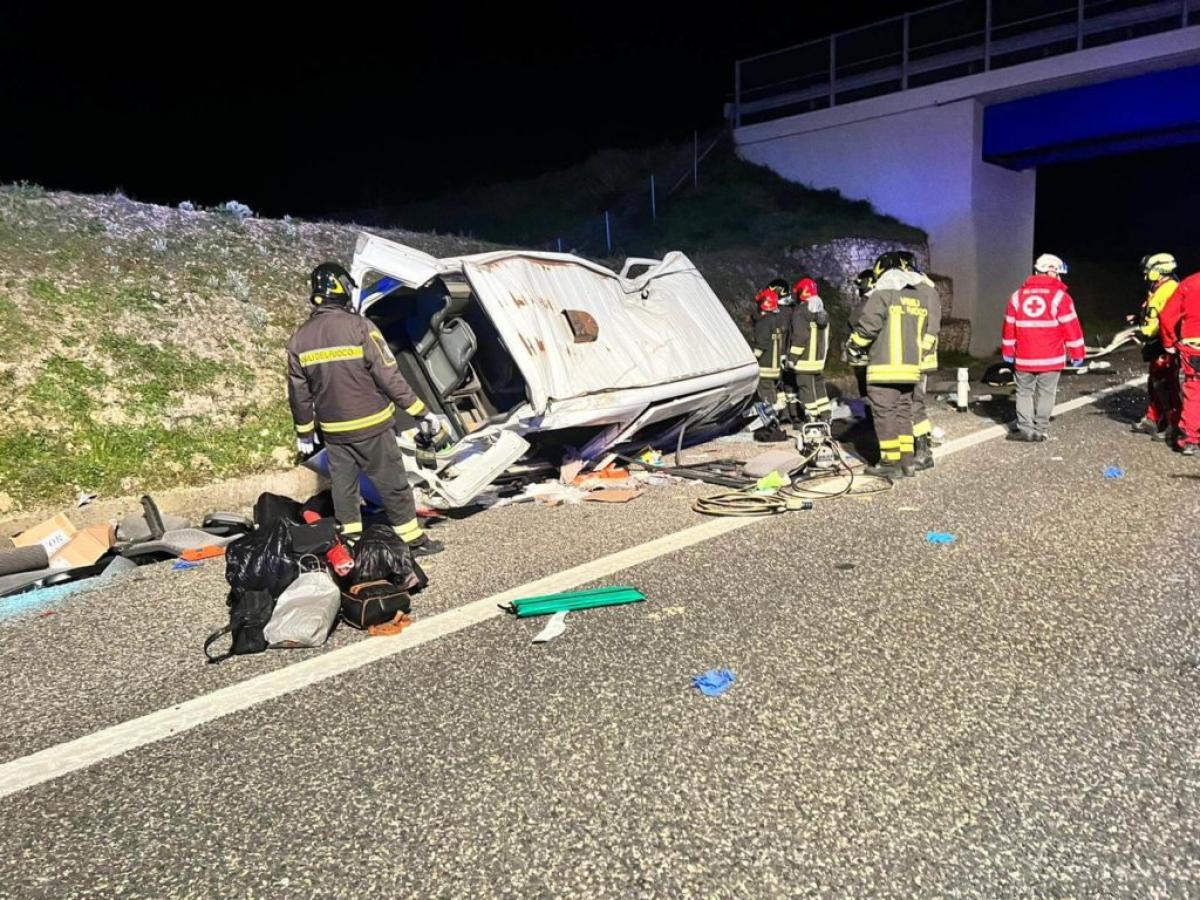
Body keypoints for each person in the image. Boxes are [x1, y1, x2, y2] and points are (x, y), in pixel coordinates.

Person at [287, 262, 449, 557]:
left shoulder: (300, 339)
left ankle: (351, 541)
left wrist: (304, 432)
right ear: (342, 290)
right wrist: (420, 412)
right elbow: (389, 376)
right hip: (372, 425)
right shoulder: (360, 328)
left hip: (334, 433)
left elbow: (299, 392)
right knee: (393, 484)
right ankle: (411, 540)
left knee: (345, 489)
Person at [846, 252, 938, 477]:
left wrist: (853, 346)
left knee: (884, 413)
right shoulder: (916, 298)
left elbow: (868, 327)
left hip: (884, 368)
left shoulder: (881, 295)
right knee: (903, 413)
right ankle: (907, 462)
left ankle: (889, 462)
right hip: (910, 369)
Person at [1000, 253, 1085, 442]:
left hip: (1024, 357)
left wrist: (1007, 351)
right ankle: (1041, 429)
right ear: (1051, 272)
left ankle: (1025, 429)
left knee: (1024, 392)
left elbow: (1009, 327)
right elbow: (1071, 327)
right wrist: (1077, 353)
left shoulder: (1017, 296)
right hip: (1051, 358)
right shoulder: (1060, 297)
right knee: (1046, 393)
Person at [1129, 253, 1180, 441]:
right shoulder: (1159, 288)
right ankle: (1153, 418)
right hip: (1156, 340)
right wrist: (1138, 318)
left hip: (1164, 342)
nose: (1145, 275)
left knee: (1165, 384)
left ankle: (1171, 424)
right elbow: (1153, 312)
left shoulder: (1169, 289)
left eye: (1148, 271)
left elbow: (1167, 319)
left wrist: (1157, 337)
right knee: (1155, 381)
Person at [1157, 270, 1200, 455]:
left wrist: (1169, 342)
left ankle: (1190, 439)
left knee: (1195, 389)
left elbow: (1167, 315)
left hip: (1194, 345)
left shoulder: (1190, 283)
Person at [786, 277, 831, 423]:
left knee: (806, 391)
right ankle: (826, 416)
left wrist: (792, 358)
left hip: (803, 362)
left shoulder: (800, 312)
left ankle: (811, 419)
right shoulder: (822, 312)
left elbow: (800, 336)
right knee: (819, 390)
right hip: (818, 362)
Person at [767, 278, 800, 423]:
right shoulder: (792, 309)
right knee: (787, 385)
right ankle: (792, 414)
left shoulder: (784, 311)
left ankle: (789, 414)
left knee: (785, 384)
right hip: (784, 353)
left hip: (782, 353)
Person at [752, 286, 787, 416]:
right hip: (775, 366)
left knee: (766, 396)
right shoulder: (777, 321)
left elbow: (761, 345)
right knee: (773, 392)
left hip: (765, 366)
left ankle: (770, 422)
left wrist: (752, 359)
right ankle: (776, 417)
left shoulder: (764, 323)